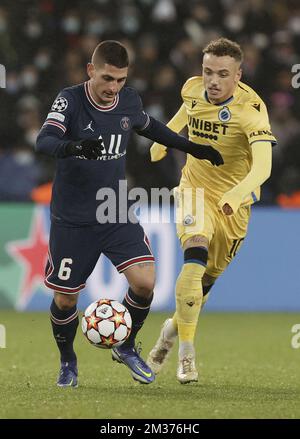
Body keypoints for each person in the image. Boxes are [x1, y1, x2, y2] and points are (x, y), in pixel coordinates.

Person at [36, 40, 223, 387]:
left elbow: (151, 127)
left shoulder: (128, 100)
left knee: (145, 282)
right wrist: (73, 147)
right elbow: (44, 140)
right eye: (107, 78)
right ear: (92, 71)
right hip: (73, 217)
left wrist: (193, 147)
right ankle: (67, 361)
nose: (113, 88)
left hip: (113, 208)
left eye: (120, 80)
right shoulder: (70, 99)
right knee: (65, 300)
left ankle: (124, 344)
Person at [147, 38, 276, 384]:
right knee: (195, 253)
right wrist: (163, 139)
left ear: (238, 75)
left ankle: (168, 335)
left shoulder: (252, 111)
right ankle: (187, 355)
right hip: (194, 191)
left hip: (234, 207)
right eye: (207, 72)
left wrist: (237, 193)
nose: (213, 81)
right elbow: (184, 115)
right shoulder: (191, 89)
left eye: (222, 74)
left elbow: (263, 167)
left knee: (202, 287)